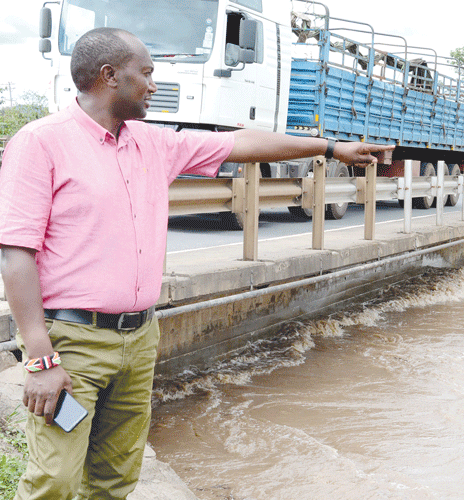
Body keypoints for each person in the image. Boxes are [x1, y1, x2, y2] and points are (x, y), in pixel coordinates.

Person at [0, 27, 393, 500]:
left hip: (139, 339)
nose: (153, 84)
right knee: (54, 481)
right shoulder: (40, 142)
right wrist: (41, 357)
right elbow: (16, 251)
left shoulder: (153, 143)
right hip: (72, 340)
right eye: (145, 73)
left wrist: (330, 149)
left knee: (114, 481)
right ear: (109, 76)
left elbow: (241, 145)